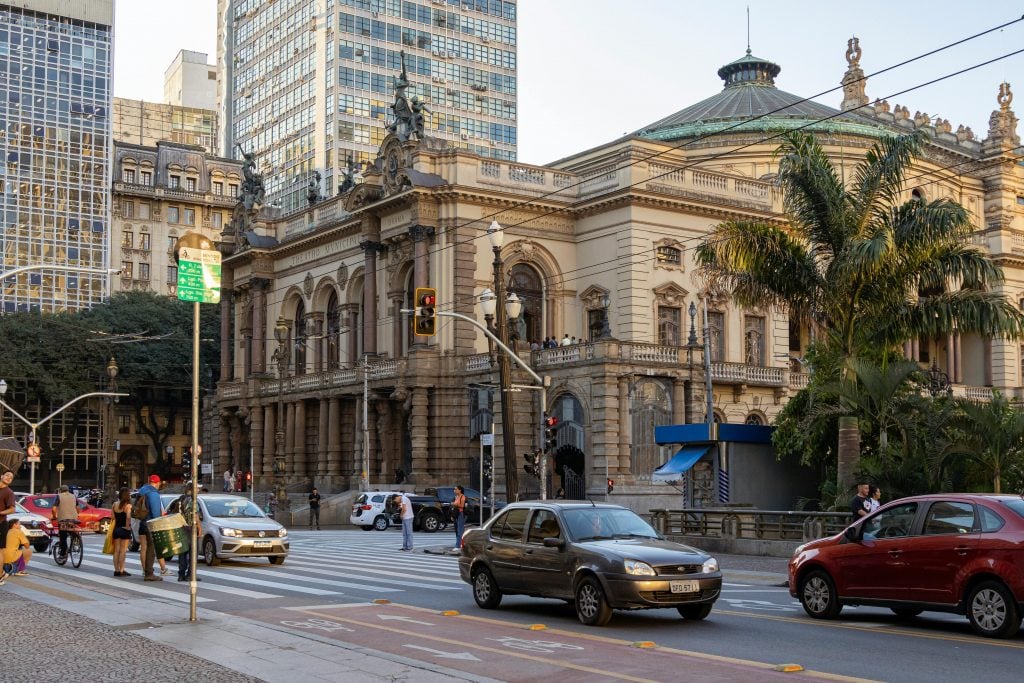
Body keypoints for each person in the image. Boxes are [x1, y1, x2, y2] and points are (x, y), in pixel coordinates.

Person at [136, 474, 164, 581]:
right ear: (157, 483)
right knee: (151, 549)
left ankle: (146, 570)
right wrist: (158, 524)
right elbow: (156, 512)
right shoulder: (153, 494)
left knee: (144, 548)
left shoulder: (142, 491)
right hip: (150, 523)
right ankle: (149, 573)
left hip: (142, 522)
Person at [172, 492, 201, 583]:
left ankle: (181, 575)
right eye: (197, 488)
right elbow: (195, 516)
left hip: (181, 528)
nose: (198, 491)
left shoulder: (181, 499)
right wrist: (199, 527)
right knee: (193, 553)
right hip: (191, 528)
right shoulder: (193, 501)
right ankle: (190, 575)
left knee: (182, 552)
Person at [111, 487, 133, 577]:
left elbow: (112, 517)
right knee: (123, 551)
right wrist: (127, 527)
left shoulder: (114, 504)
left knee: (116, 551)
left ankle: (116, 570)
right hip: (124, 529)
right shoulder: (128, 506)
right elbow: (128, 517)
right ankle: (121, 570)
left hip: (116, 529)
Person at [52, 484, 79, 557]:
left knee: (63, 536)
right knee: (72, 531)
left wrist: (54, 516)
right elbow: (78, 508)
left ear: (60, 490)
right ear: (68, 490)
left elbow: (54, 508)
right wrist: (76, 515)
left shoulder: (59, 496)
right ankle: (75, 542)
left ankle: (63, 553)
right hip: (73, 519)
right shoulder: (73, 496)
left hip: (63, 519)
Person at [452, 485, 467, 550]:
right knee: (460, 530)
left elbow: (462, 505)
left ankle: (457, 546)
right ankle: (462, 545)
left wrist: (454, 504)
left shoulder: (462, 497)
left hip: (461, 514)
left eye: (456, 489)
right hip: (457, 514)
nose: (454, 490)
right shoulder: (456, 497)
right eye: (454, 489)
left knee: (460, 531)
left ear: (460, 490)